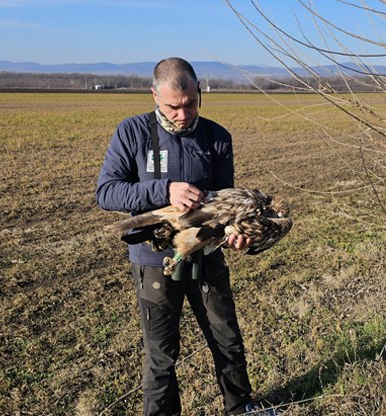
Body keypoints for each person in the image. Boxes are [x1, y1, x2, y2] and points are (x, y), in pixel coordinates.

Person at [96, 57, 274, 416]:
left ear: (199, 93)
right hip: (153, 262)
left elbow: (227, 204)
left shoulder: (217, 137)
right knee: (162, 354)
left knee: (228, 342)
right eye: (172, 107)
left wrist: (236, 236)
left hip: (207, 257)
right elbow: (107, 192)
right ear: (153, 96)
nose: (183, 114)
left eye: (190, 104)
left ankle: (241, 409)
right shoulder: (131, 133)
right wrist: (166, 190)